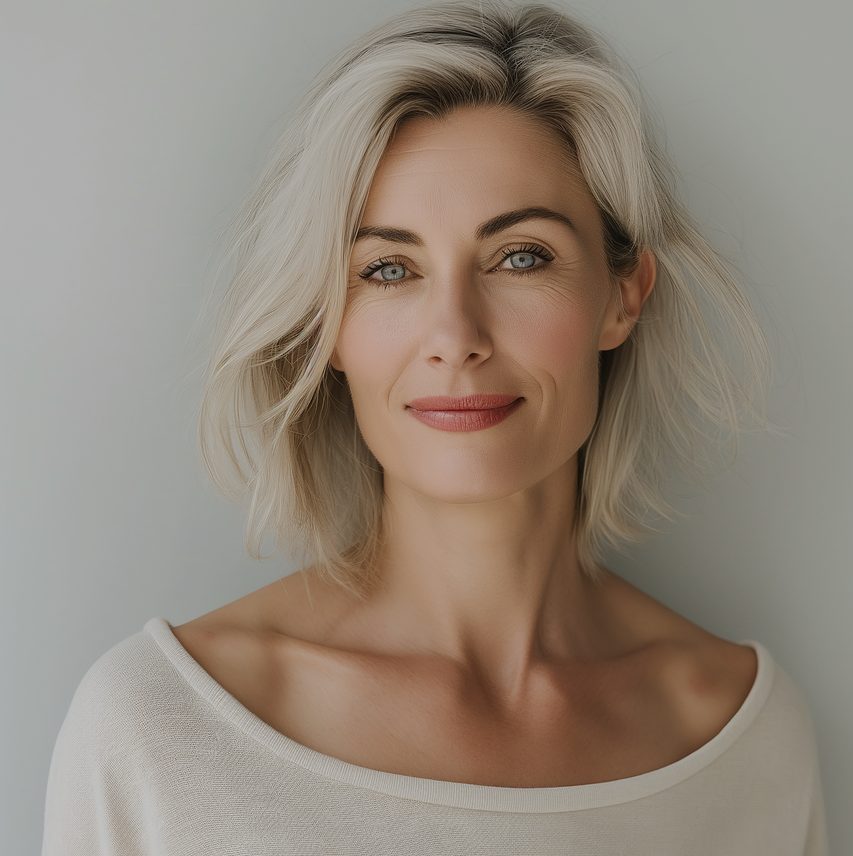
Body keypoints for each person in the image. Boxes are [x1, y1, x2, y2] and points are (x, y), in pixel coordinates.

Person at [42, 2, 826, 853]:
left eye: (520, 257)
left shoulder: (742, 737)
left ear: (623, 294)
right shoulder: (159, 730)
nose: (455, 336)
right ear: (325, 326)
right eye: (388, 270)